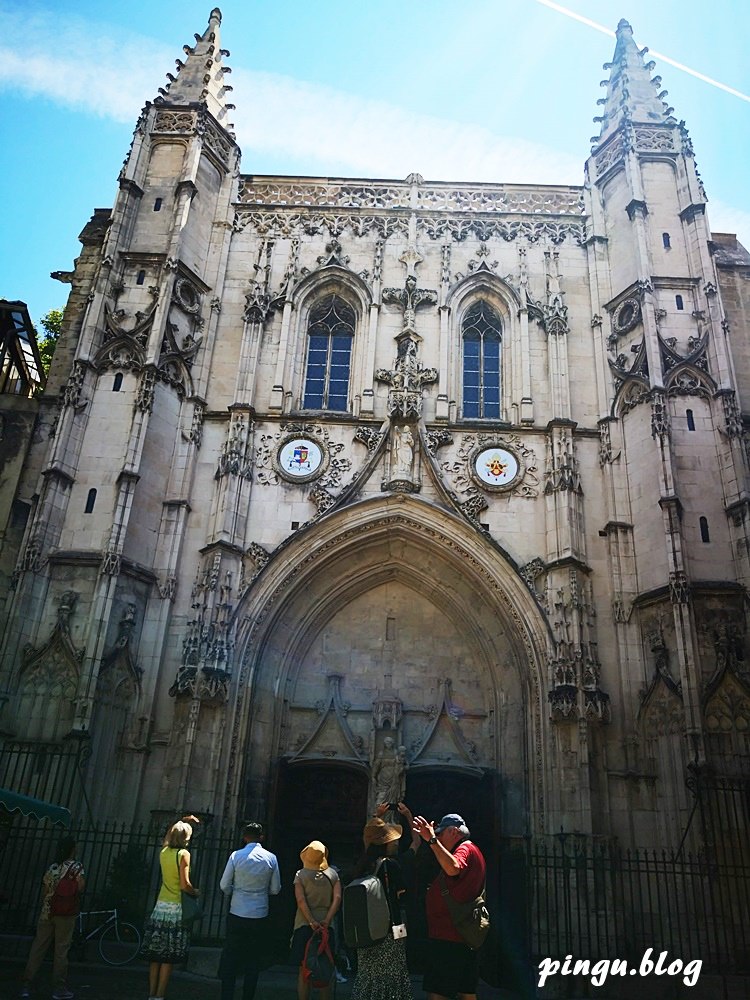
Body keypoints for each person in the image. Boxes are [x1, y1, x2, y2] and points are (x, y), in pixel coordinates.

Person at [412, 813, 486, 1000]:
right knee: (465, 992)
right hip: (458, 936)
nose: (439, 839)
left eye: (441, 834)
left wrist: (432, 840)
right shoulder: (468, 850)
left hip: (449, 938)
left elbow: (453, 868)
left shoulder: (465, 849)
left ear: (453, 832)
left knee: (438, 992)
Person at [350, 803, 417, 1000]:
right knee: (394, 970)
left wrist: (376, 817)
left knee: (368, 974)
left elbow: (367, 838)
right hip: (392, 928)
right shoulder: (394, 864)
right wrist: (409, 816)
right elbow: (416, 844)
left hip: (367, 930)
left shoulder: (365, 865)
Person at [218, 821, 281, 1000]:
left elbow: (224, 885)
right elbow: (275, 889)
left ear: (244, 837)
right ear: (262, 837)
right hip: (259, 914)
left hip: (237, 911)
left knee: (231, 955)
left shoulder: (236, 856)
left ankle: (227, 995)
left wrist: (236, 893)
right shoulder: (271, 858)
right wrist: (261, 893)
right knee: (253, 959)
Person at [20, 836, 86, 1000]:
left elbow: (44, 891)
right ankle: (59, 987)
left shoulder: (52, 868)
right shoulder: (76, 867)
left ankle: (26, 984)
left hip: (47, 911)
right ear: (72, 849)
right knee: (61, 950)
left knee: (38, 947)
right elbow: (81, 887)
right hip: (65, 913)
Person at [141, 819, 200, 1000]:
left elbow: (167, 836)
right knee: (168, 956)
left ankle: (152, 994)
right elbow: (184, 885)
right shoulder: (184, 854)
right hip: (175, 909)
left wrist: (180, 820)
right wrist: (195, 891)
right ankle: (160, 995)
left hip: (160, 907)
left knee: (156, 955)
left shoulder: (164, 852)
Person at [290, 840, 341, 1000]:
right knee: (326, 968)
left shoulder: (301, 875)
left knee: (304, 969)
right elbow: (337, 898)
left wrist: (311, 920)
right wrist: (327, 919)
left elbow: (300, 900)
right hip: (327, 927)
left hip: (304, 925)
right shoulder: (333, 875)